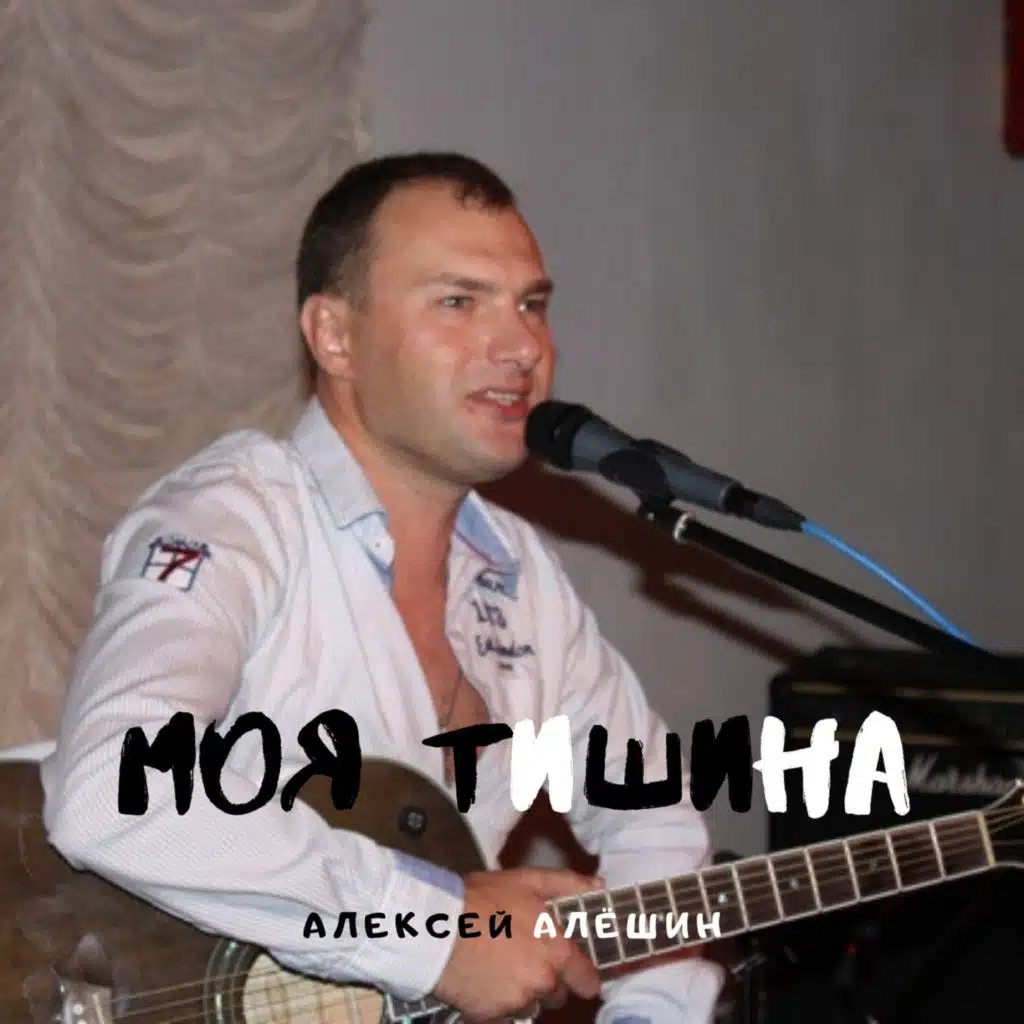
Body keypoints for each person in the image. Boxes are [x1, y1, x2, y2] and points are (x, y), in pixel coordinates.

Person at [40, 152, 724, 1023]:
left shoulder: (519, 576)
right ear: (335, 336)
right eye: (459, 301)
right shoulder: (237, 517)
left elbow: (653, 818)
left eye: (532, 305)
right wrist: (432, 934)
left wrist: (653, 1011)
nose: (522, 347)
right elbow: (111, 784)